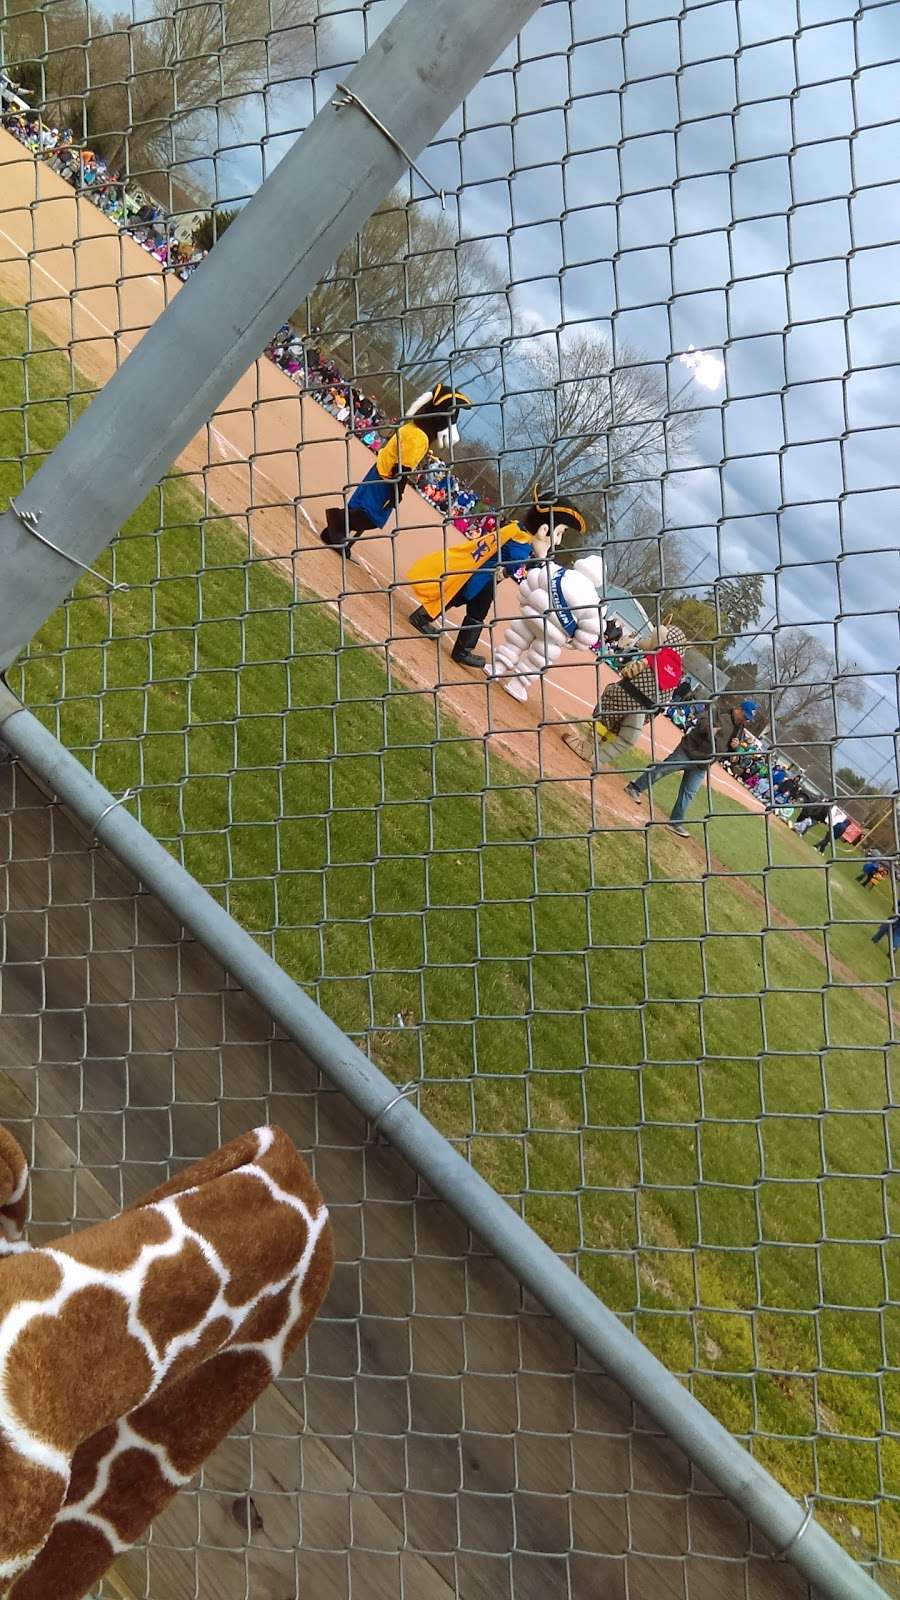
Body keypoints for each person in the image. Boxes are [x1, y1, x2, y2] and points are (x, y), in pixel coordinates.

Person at [406, 489, 588, 669]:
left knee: (465, 605)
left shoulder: (518, 531)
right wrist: (538, 558)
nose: (557, 541)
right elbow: (517, 562)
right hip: (481, 579)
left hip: (481, 576)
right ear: (544, 530)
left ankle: (426, 621)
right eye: (559, 533)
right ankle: (457, 647)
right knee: (468, 607)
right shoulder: (521, 540)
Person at [320, 382, 471, 553]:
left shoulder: (412, 427)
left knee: (360, 508)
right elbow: (402, 468)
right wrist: (397, 492)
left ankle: (333, 534)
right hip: (386, 478)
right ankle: (336, 519)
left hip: (379, 469)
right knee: (371, 516)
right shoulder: (419, 437)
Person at [624, 698, 759, 838]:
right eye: (745, 716)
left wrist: (735, 748)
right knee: (662, 770)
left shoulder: (740, 731)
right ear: (739, 709)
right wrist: (709, 730)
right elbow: (700, 720)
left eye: (748, 719)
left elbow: (728, 752)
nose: (745, 720)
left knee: (689, 793)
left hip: (703, 764)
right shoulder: (719, 713)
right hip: (688, 751)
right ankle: (634, 788)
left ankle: (675, 821)